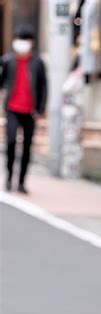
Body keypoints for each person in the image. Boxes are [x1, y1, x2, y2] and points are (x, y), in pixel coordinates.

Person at [0, 24, 47, 193]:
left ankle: (21, 182)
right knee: (11, 142)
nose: (22, 43)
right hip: (12, 109)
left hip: (30, 111)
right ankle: (9, 177)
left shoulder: (38, 62)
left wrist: (40, 109)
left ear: (31, 42)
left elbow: (43, 86)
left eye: (25, 40)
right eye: (19, 39)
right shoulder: (7, 61)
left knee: (27, 147)